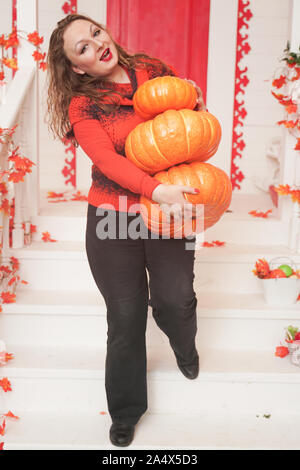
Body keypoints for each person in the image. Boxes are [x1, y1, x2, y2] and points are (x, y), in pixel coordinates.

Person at [46, 13, 206, 448]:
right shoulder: (83, 105)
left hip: (171, 213)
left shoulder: (153, 71)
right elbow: (108, 162)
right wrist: (157, 190)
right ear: (77, 67)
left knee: (175, 301)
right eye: (82, 48)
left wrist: (197, 104)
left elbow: (188, 125)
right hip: (112, 218)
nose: (96, 44)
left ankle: (183, 346)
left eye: (95, 32)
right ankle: (126, 411)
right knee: (125, 318)